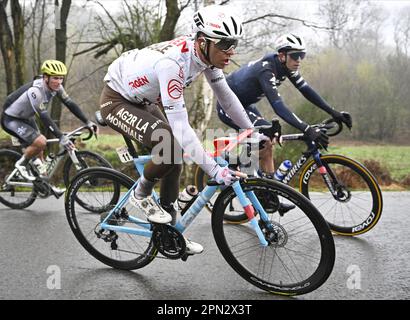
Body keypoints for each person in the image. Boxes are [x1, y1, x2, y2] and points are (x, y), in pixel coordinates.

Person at [99, 5, 268, 255]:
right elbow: (180, 125)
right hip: (116, 100)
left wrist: (250, 129)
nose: (230, 50)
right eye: (225, 43)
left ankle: (169, 231)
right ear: (202, 41)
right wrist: (214, 170)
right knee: (169, 145)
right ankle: (141, 192)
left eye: (234, 43)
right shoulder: (173, 64)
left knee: (174, 159)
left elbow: (227, 98)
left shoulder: (207, 56)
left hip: (144, 99)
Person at [217, 33, 352, 174]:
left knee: (268, 141)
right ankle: (236, 170)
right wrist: (307, 129)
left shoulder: (286, 66)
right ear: (282, 56)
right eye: (295, 56)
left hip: (245, 105)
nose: (298, 60)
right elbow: (278, 107)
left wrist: (333, 112)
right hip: (228, 106)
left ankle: (267, 187)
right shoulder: (266, 70)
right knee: (265, 138)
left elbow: (306, 90)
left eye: (302, 55)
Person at [0, 59, 98, 197]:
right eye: (55, 78)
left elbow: (70, 103)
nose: (58, 82)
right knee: (41, 141)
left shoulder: (57, 87)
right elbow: (44, 116)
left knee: (40, 153)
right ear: (46, 77)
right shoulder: (36, 91)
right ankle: (21, 165)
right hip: (11, 119)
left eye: (61, 78)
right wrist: (61, 137)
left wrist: (88, 122)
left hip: (27, 118)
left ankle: (45, 184)